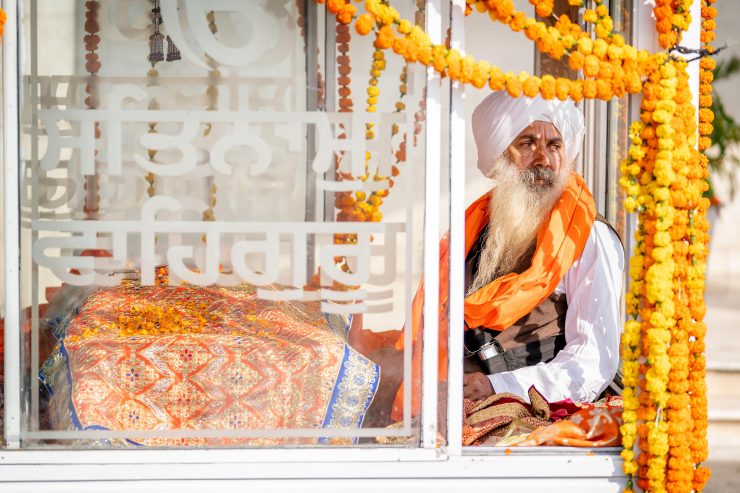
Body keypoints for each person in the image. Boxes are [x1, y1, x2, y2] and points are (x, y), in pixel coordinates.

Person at [367, 91, 625, 425]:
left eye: (554, 146)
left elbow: (592, 361)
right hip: (455, 395)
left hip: (539, 408)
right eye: (528, 143)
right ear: (501, 153)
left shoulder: (588, 236)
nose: (543, 159)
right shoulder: (483, 223)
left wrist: (495, 385)